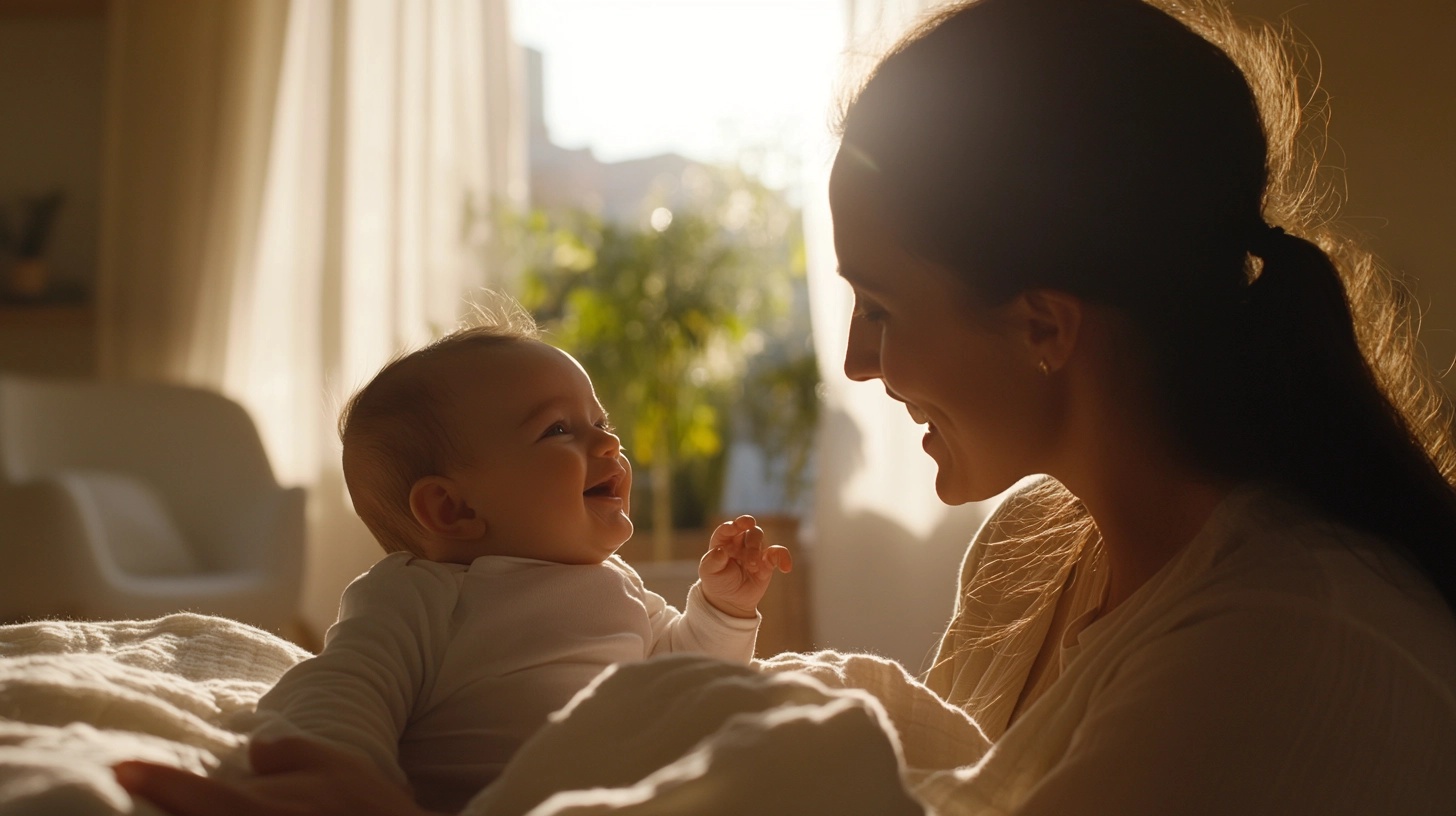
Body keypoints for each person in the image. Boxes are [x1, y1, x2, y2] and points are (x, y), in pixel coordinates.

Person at [116, 0, 1456, 813]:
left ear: (1045, 322)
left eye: (883, 305)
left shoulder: (1286, 654)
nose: (862, 364)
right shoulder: (1038, 548)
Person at [232, 305, 793, 813]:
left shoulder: (615, 582)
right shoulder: (422, 593)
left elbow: (680, 672)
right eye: (557, 430)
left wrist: (722, 609)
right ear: (451, 508)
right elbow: (344, 686)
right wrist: (343, 777)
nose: (608, 446)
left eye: (601, 424)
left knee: (811, 742)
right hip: (510, 801)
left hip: (634, 796)